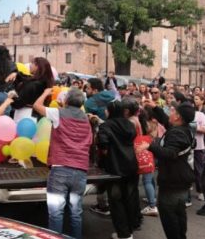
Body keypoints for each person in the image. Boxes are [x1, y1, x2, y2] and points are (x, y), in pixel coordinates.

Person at [32, 87, 91, 239]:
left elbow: (36, 106)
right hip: (80, 169)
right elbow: (89, 141)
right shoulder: (86, 119)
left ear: (67, 100)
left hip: (60, 168)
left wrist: (45, 93)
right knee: (76, 212)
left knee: (56, 212)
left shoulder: (58, 113)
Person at [138, 100, 196, 239]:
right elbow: (166, 121)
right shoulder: (181, 128)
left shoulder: (178, 133)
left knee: (170, 217)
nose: (171, 113)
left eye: (174, 111)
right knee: (178, 213)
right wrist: (155, 108)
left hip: (174, 180)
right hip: (178, 178)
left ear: (178, 117)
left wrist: (150, 146)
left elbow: (170, 153)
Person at [98, 100, 139, 239]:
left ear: (111, 111)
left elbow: (103, 145)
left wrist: (106, 153)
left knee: (116, 202)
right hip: (131, 166)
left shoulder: (106, 125)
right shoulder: (130, 124)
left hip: (114, 168)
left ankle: (124, 234)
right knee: (130, 199)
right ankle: (130, 230)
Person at [192, 94, 205, 203]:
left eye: (196, 99)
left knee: (199, 169)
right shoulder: (187, 114)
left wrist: (193, 126)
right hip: (186, 145)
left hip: (199, 145)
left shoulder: (201, 115)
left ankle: (201, 191)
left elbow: (204, 130)